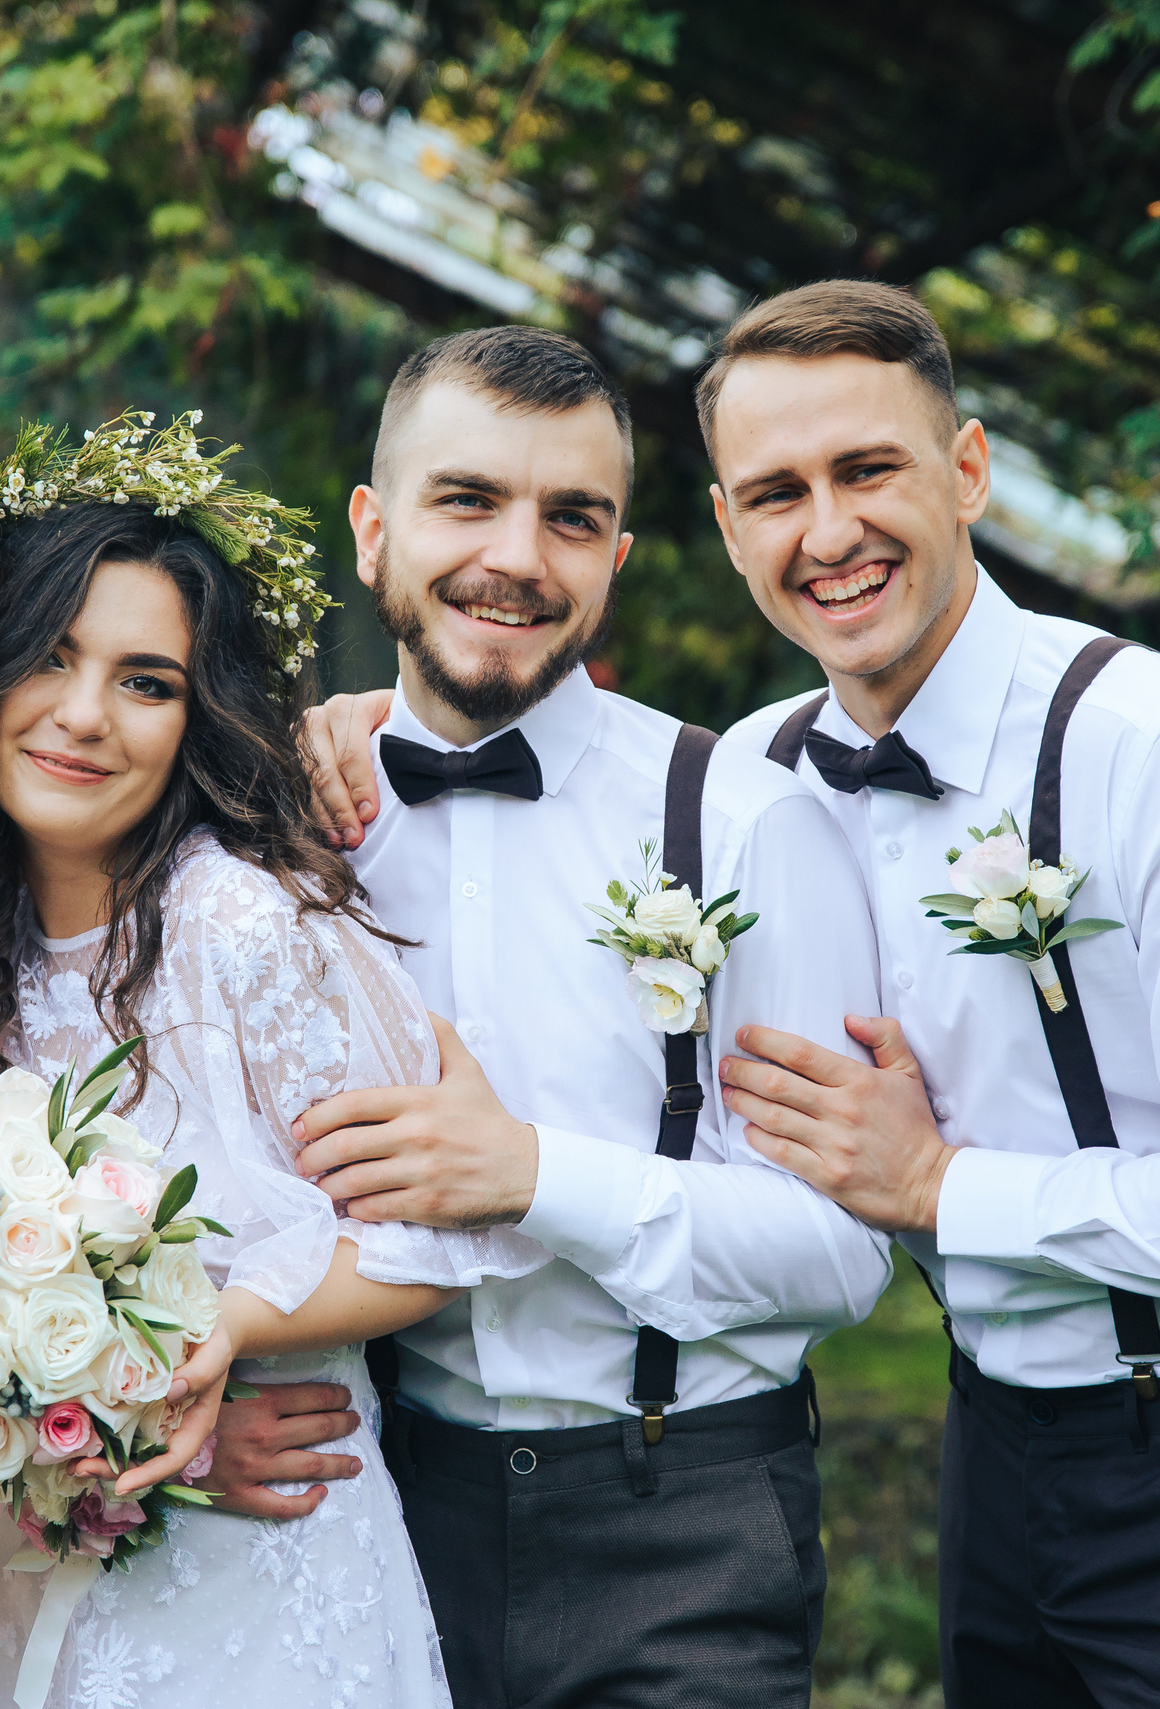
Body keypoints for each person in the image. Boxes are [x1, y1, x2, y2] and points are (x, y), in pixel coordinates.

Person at [697, 282, 1160, 1706]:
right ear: (727, 528)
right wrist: (367, 728)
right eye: (776, 492)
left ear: (966, 470)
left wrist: (940, 1185)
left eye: (866, 469)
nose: (825, 533)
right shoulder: (755, 775)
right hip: (994, 1447)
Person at [266, 327, 889, 1709]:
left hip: (684, 1521)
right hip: (366, 1513)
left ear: (617, 557)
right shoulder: (287, 827)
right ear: (372, 529)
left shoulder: (745, 822)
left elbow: (844, 1256)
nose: (518, 556)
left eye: (571, 517)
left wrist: (533, 1177)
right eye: (467, 499)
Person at [0, 434, 542, 1709]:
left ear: (195, 720)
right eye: (50, 656)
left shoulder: (244, 924)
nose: (84, 715)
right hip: (52, 1547)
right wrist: (59, 1427)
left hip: (266, 1569)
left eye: (146, 682)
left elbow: (431, 1239)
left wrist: (225, 1329)